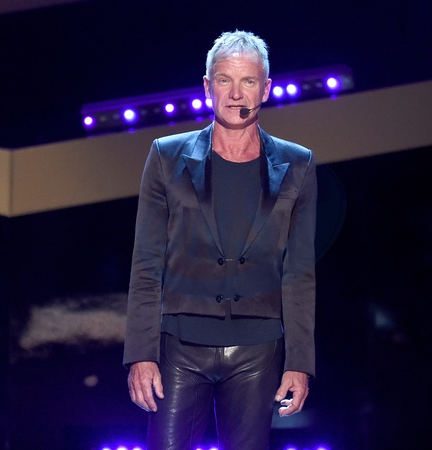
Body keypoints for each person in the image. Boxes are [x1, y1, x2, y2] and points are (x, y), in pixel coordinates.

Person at [124, 30, 328, 450]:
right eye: (224, 80)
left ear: (265, 89)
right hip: (180, 346)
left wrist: (299, 363)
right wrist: (140, 354)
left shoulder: (297, 164)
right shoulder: (166, 156)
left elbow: (299, 273)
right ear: (207, 87)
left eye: (248, 81)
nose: (236, 94)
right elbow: (146, 263)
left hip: (258, 350)